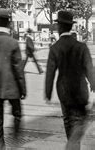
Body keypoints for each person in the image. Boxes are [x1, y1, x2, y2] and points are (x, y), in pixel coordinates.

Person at [45, 10, 95, 149]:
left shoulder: (55, 48)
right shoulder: (81, 47)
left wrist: (48, 93)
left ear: (59, 27)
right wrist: (93, 84)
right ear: (71, 26)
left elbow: (50, 73)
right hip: (80, 90)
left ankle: (72, 145)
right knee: (79, 120)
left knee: (68, 120)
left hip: (64, 91)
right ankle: (75, 145)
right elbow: (89, 68)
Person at [0, 9, 26, 150]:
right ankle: (16, 138)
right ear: (9, 23)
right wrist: (22, 89)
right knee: (17, 114)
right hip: (12, 88)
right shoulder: (13, 43)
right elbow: (19, 69)